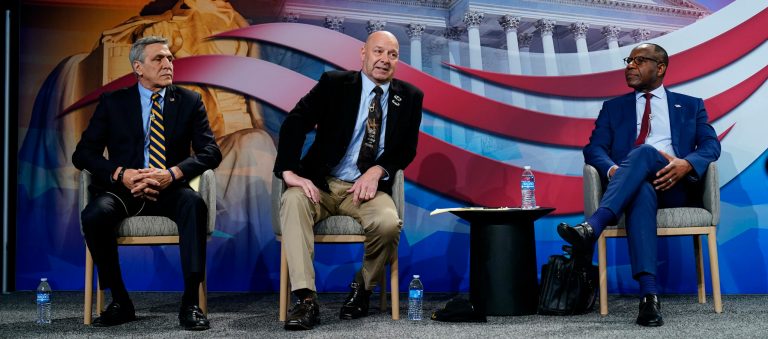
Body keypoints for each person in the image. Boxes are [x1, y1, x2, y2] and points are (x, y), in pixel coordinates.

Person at [557, 43, 720, 327]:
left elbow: (710, 146)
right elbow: (594, 149)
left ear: (660, 68)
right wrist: (613, 171)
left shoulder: (690, 105)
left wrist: (686, 164)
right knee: (641, 189)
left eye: (639, 60)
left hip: (674, 186)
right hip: (630, 186)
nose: (630, 66)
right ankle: (649, 298)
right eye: (628, 60)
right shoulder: (613, 108)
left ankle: (594, 226)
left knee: (645, 151)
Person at [274, 30, 423, 331]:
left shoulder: (410, 97)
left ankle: (362, 288)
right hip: (321, 184)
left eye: (392, 54)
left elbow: (406, 149)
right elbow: (295, 122)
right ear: (363, 54)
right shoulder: (335, 84)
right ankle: (306, 299)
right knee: (292, 202)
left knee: (388, 223)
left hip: (365, 190)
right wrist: (288, 171)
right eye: (378, 51)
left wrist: (377, 170)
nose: (385, 59)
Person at [72, 36, 222, 331]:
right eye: (159, 59)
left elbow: (210, 152)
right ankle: (120, 300)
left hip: (170, 189)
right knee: (94, 214)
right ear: (138, 67)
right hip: (124, 190)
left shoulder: (189, 101)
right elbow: (83, 154)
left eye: (170, 58)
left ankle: (190, 302)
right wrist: (121, 174)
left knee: (194, 204)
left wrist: (173, 173)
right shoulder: (113, 102)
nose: (168, 64)